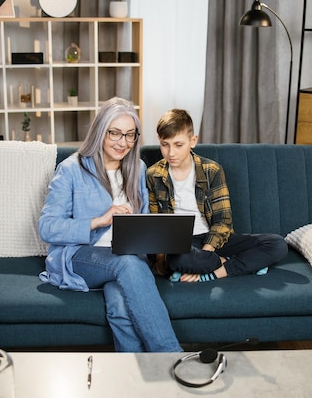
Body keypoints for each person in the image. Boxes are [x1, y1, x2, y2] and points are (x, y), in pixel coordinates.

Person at [38, 97, 181, 352]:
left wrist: (158, 235)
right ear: (100, 131)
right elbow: (47, 227)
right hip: (80, 255)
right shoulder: (71, 169)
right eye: (115, 133)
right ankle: (171, 356)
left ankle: (132, 380)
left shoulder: (137, 168)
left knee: (121, 305)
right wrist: (100, 220)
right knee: (127, 264)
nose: (123, 142)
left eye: (130, 135)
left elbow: (143, 219)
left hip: (125, 259)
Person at [146, 109, 288, 283]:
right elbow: (156, 223)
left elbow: (223, 222)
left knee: (277, 244)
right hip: (182, 245)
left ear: (193, 141)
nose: (171, 153)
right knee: (177, 259)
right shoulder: (153, 175)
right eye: (164, 144)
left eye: (178, 145)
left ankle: (216, 271)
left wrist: (207, 252)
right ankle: (237, 263)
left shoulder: (211, 170)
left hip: (214, 240)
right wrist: (161, 260)